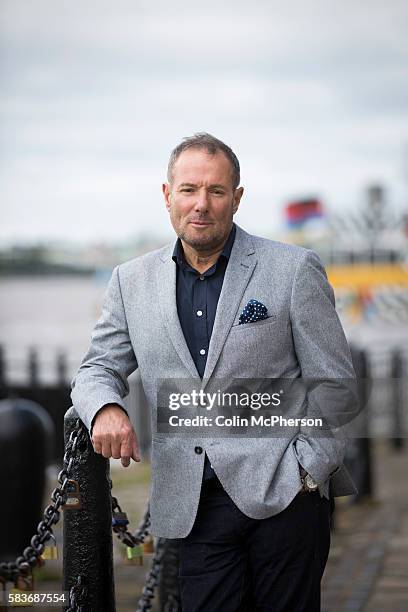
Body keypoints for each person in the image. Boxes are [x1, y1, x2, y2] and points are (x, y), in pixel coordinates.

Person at [71, 133, 358, 611]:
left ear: (236, 198)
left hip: (286, 493)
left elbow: (335, 382)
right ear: (167, 195)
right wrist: (104, 409)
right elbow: (98, 366)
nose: (201, 204)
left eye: (216, 191)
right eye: (188, 190)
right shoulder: (130, 281)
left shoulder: (292, 269)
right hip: (193, 504)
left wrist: (309, 470)